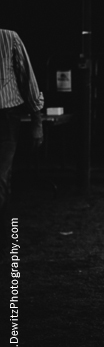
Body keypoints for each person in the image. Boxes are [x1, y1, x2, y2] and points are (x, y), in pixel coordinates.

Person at [0, 30, 44, 213]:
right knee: (1, 178)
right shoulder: (8, 38)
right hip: (6, 115)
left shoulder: (8, 38)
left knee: (1, 177)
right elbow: (27, 80)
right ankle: (7, 237)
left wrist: (37, 120)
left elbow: (27, 80)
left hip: (5, 115)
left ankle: (7, 237)